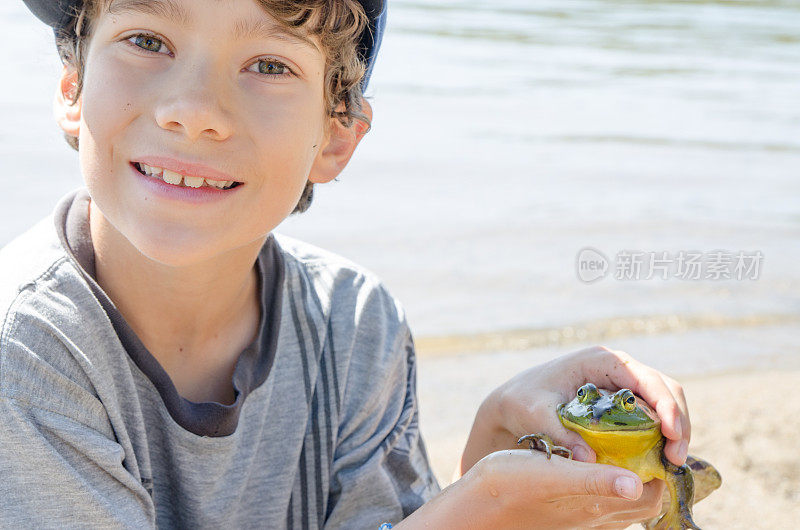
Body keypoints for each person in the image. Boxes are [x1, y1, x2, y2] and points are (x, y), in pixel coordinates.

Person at [0, 0, 691, 527]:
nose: (194, 110)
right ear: (72, 88)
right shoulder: (26, 350)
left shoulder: (354, 325)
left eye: (269, 64)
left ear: (335, 138)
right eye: (147, 40)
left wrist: (491, 449)